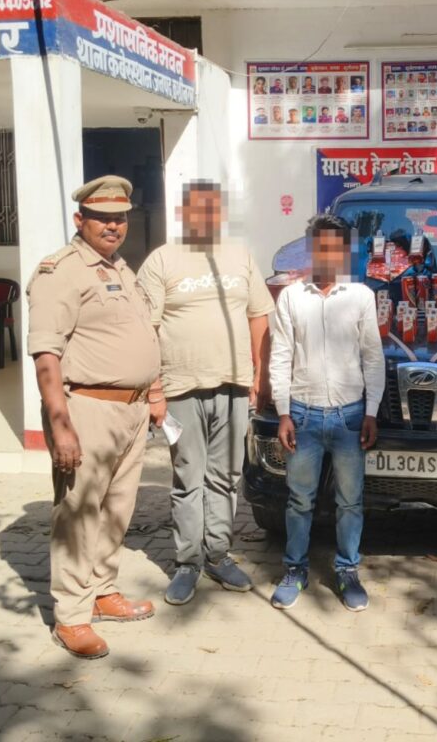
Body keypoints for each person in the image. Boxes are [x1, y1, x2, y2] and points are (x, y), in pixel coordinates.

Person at [26, 176, 162, 659]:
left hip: (132, 410)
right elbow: (46, 354)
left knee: (117, 509)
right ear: (79, 219)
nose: (113, 226)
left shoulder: (121, 267)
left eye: (120, 217)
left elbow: (142, 333)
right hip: (87, 409)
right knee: (79, 513)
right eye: (102, 218)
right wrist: (60, 423)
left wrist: (154, 392)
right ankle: (71, 615)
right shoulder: (60, 271)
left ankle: (102, 590)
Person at [137, 181, 275, 606]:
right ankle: (187, 562)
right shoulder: (162, 260)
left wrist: (261, 375)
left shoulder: (239, 256)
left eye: (213, 209)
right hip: (180, 388)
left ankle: (217, 555)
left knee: (226, 476)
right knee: (188, 478)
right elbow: (145, 329)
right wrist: (154, 391)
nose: (206, 217)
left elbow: (259, 316)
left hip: (233, 386)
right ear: (184, 214)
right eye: (198, 210)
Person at [268, 214, 385, 611]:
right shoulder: (291, 297)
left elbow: (373, 357)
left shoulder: (361, 296)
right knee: (299, 500)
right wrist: (283, 412)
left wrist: (371, 412)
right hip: (303, 415)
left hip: (350, 416)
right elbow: (280, 356)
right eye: (321, 246)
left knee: (350, 501)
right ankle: (294, 569)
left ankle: (348, 569)